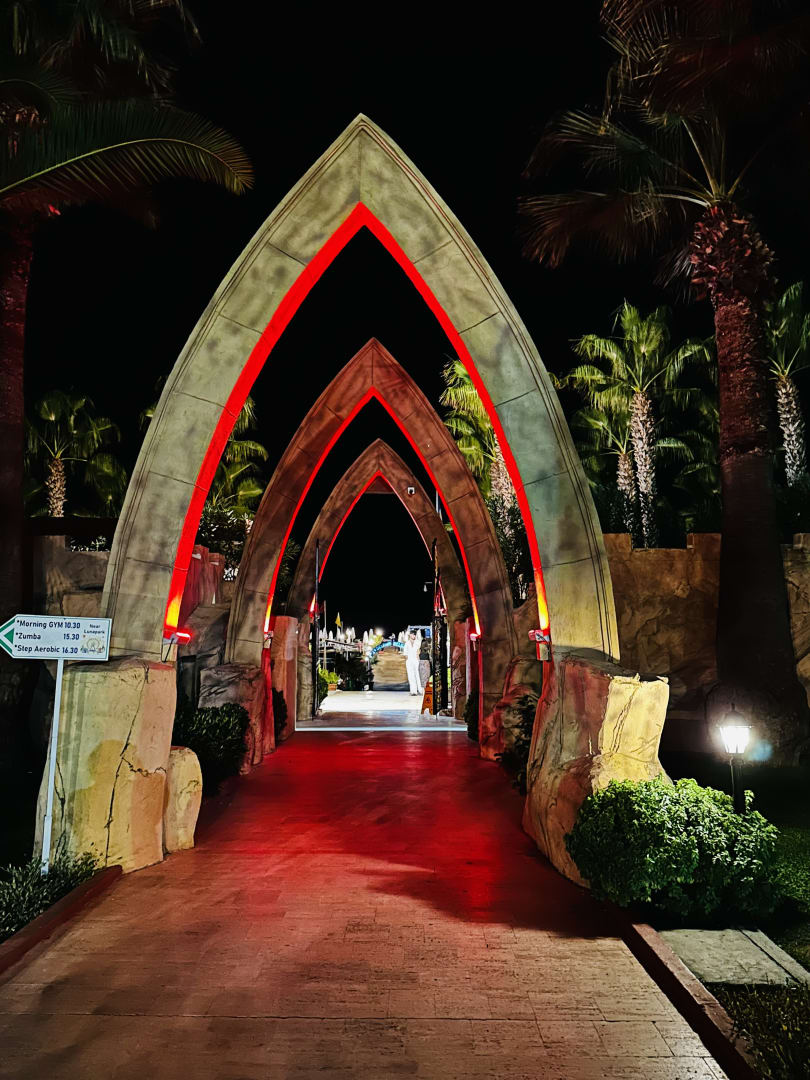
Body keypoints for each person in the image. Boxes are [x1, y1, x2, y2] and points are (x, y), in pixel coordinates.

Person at [404, 631, 422, 696]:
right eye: (413, 635)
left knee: (418, 675)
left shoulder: (418, 642)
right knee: (411, 676)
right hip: (409, 661)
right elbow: (405, 653)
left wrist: (418, 656)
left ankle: (420, 690)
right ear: (410, 635)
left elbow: (419, 651)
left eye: (415, 635)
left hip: (416, 661)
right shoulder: (407, 643)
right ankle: (413, 691)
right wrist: (408, 661)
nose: (414, 636)